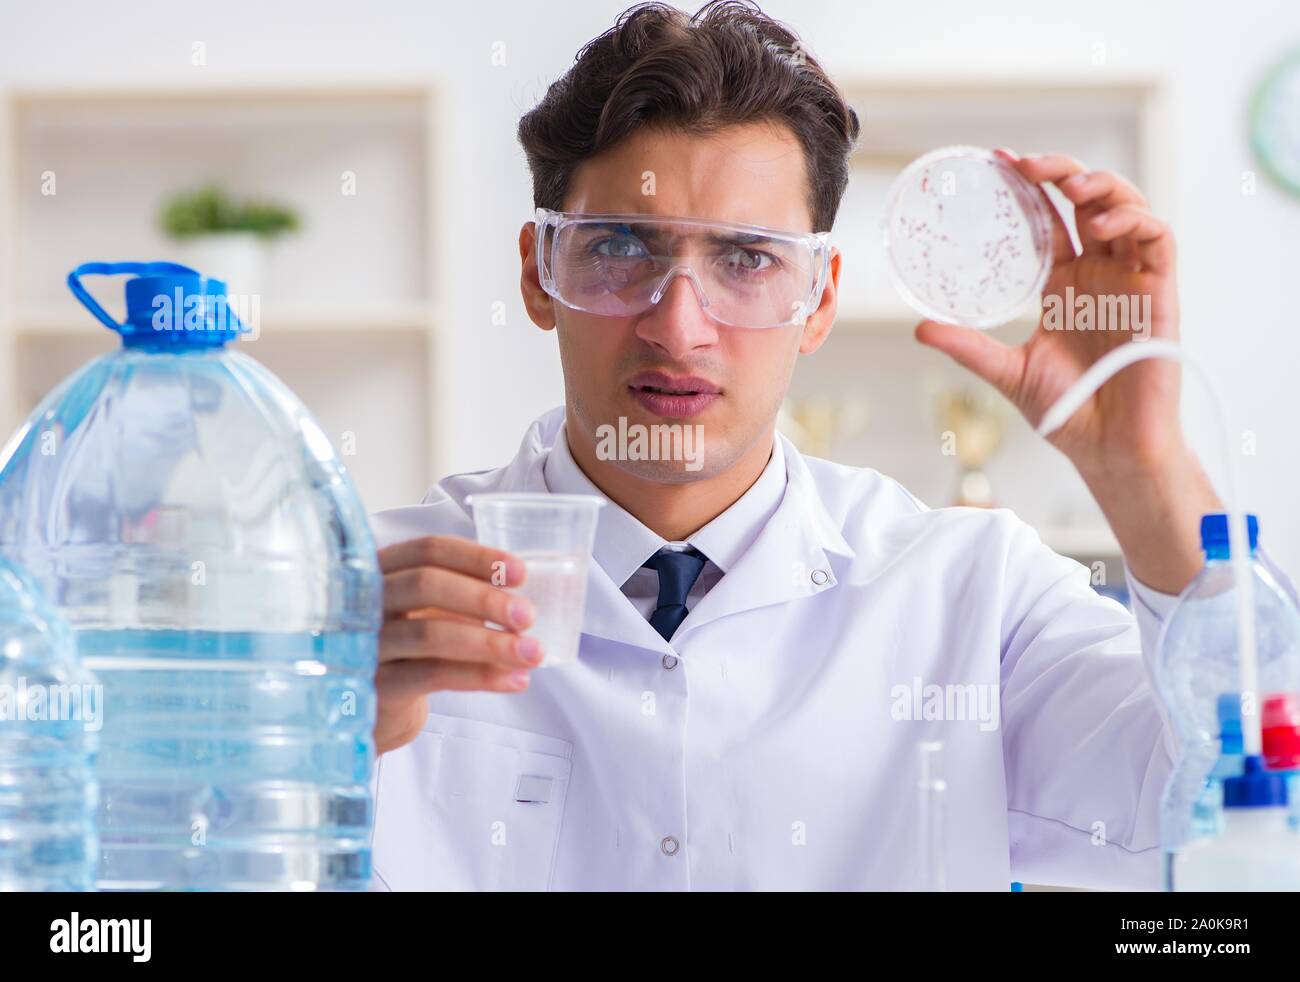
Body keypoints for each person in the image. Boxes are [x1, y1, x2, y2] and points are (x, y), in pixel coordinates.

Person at [366, 0, 1226, 890]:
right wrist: (322, 748)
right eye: (622, 246)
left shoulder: (972, 601)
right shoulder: (369, 594)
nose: (678, 326)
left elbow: (1227, 802)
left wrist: (1143, 464)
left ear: (818, 300)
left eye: (745, 259)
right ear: (539, 274)